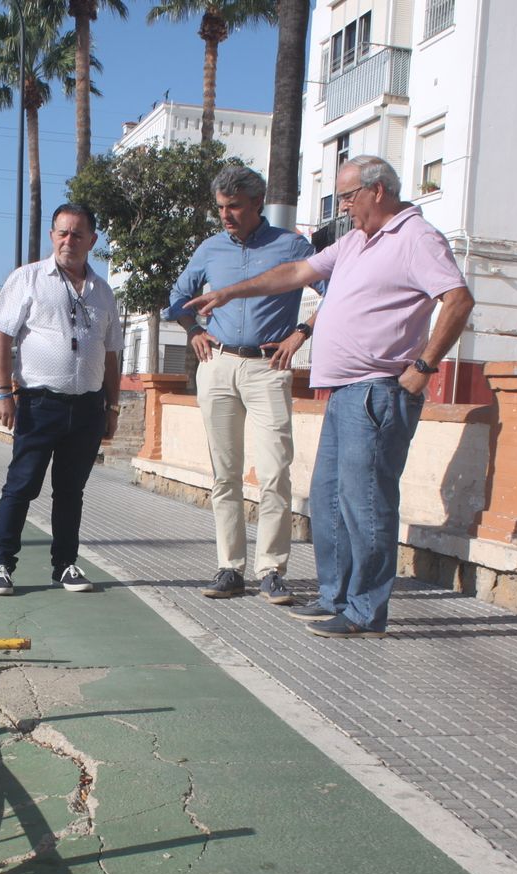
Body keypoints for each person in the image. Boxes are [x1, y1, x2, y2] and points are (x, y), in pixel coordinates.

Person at [186, 155, 474, 638]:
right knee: (329, 499)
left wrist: (424, 367)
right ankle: (335, 596)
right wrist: (232, 292)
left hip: (378, 390)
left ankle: (365, 611)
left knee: (366, 504)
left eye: (347, 196)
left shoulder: (416, 237)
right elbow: (297, 271)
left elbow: (458, 299)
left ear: (377, 191)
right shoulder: (357, 240)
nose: (341, 207)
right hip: (344, 392)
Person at [167, 165, 311, 607]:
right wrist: (193, 329)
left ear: (257, 203)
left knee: (274, 472)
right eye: (221, 208)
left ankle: (272, 571)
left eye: (234, 207)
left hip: (269, 367)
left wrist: (302, 333)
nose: (226, 215)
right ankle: (230, 568)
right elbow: (177, 298)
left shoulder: (291, 246)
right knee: (224, 474)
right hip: (219, 364)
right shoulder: (210, 248)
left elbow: (338, 291)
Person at [0, 203, 123, 597]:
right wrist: (3, 392)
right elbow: (1, 337)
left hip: (88, 408)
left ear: (92, 240)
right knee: (21, 486)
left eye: (78, 234)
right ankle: (1, 564)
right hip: (39, 404)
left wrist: (112, 407)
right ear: (52, 236)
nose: (69, 241)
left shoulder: (103, 292)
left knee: (70, 492)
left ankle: (65, 566)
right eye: (62, 233)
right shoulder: (27, 279)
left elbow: (111, 354)